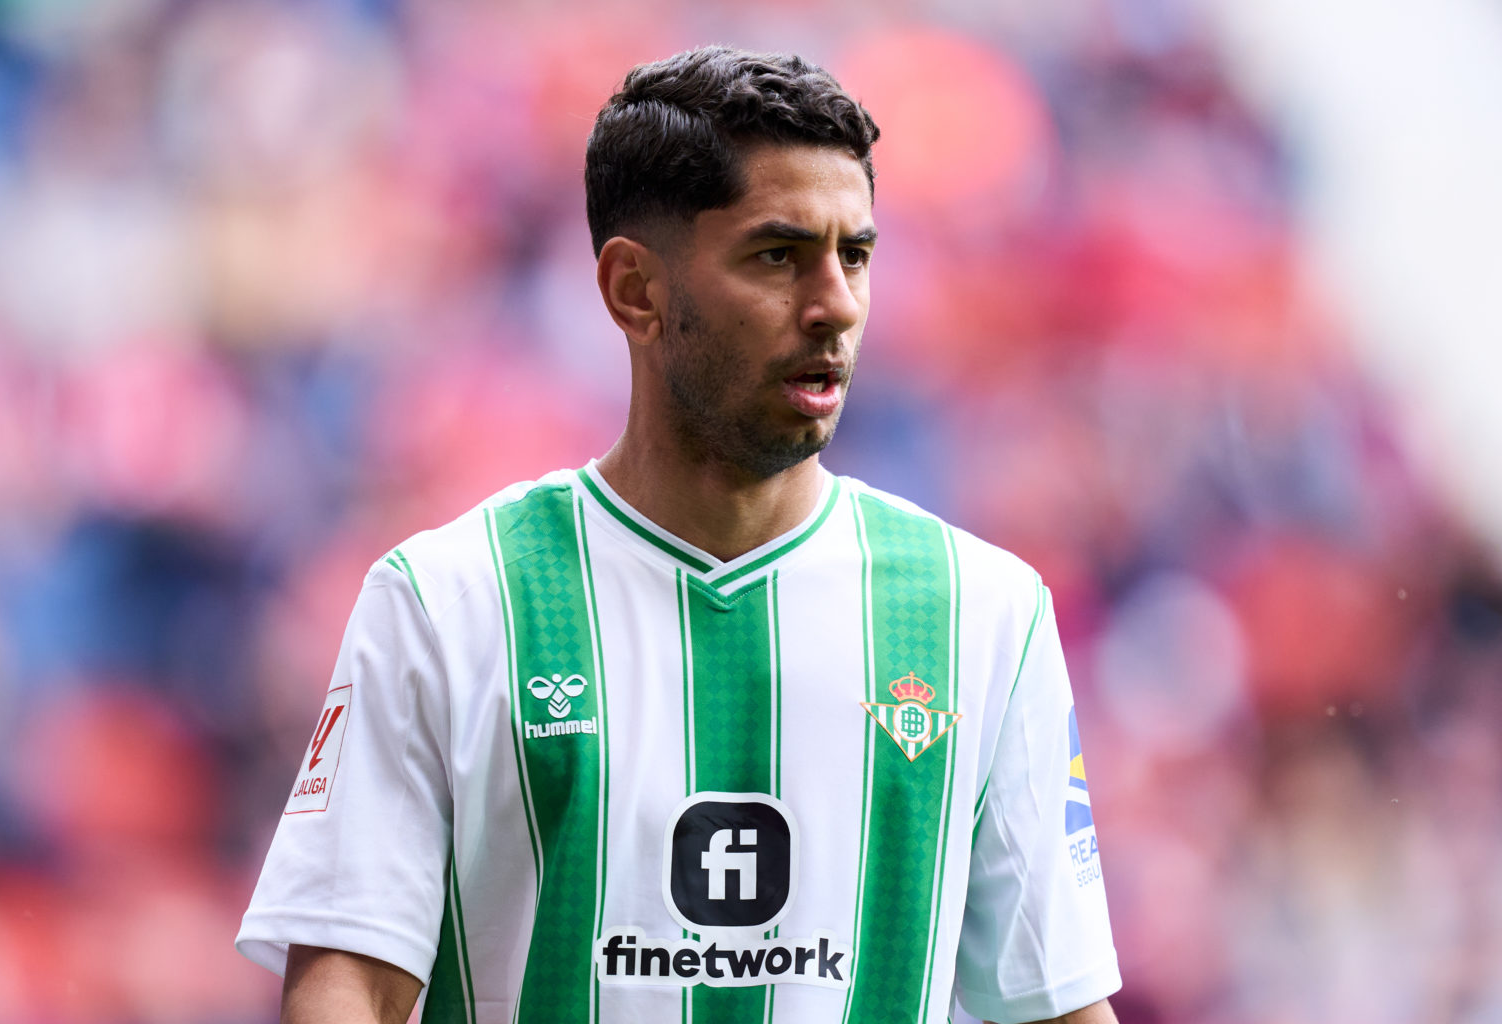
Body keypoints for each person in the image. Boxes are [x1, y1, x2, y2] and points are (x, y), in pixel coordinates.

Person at [237, 45, 1122, 1024]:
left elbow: (1053, 1003)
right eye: (778, 255)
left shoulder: (984, 613)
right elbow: (347, 981)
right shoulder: (452, 599)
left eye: (856, 254)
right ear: (635, 291)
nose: (836, 304)